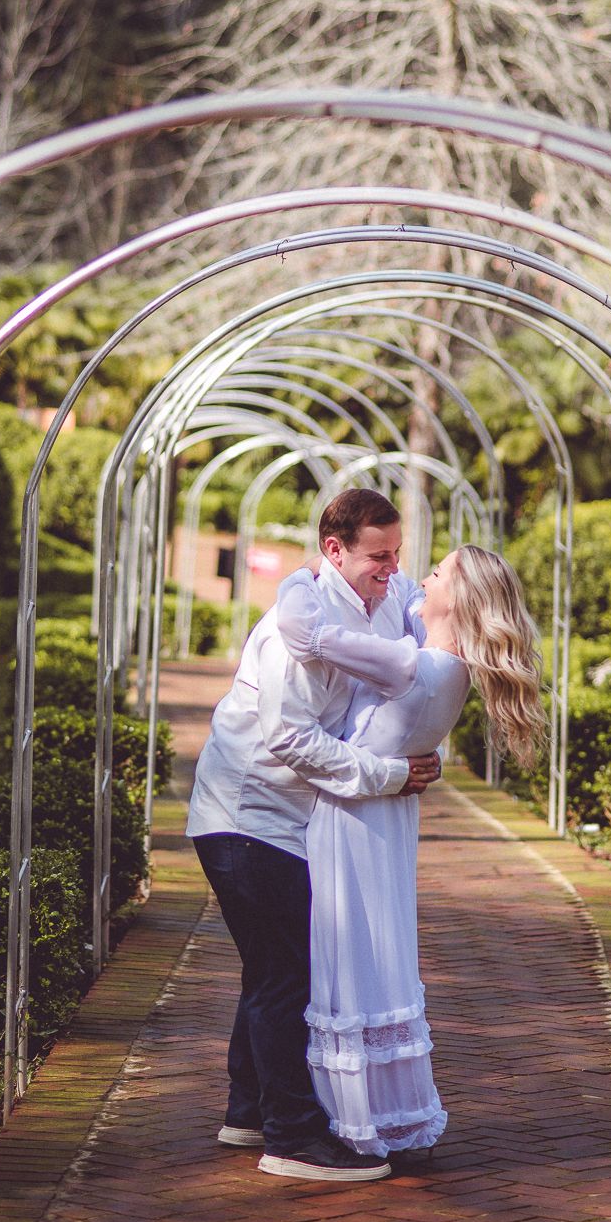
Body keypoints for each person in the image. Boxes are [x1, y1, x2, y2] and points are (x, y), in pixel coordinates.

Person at [187, 487, 438, 1184]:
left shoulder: (385, 598)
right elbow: (289, 737)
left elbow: (425, 639)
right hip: (245, 816)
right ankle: (292, 1138)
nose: (391, 569)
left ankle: (248, 1112)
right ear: (334, 550)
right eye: (376, 557)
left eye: (396, 555)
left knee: (271, 966)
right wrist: (387, 774)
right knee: (287, 973)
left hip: (297, 818)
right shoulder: (296, 626)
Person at [276, 545, 545, 1161]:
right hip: (388, 818)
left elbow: (304, 630)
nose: (422, 575)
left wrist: (306, 571)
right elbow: (402, 606)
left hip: (350, 818)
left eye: (439, 572)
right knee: (376, 956)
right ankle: (380, 1106)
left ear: (462, 597)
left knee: (345, 959)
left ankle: (344, 1115)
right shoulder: (449, 668)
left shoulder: (410, 667)